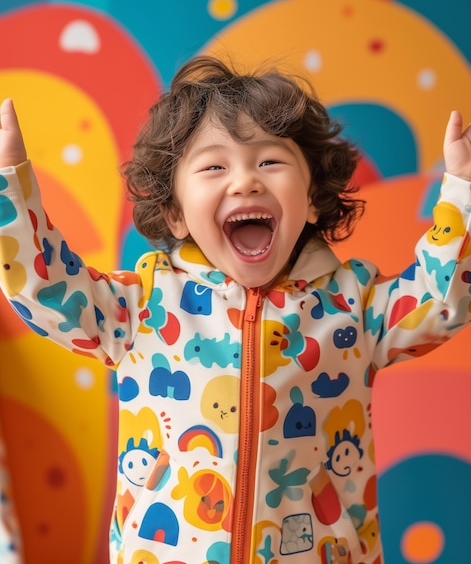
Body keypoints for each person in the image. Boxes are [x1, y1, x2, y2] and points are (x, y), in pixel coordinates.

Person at [0, 55, 470, 564]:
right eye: (214, 166)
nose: (245, 181)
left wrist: (463, 195)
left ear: (311, 199)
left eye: (269, 161)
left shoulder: (354, 305)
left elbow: (443, 299)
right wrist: (9, 186)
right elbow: (45, 289)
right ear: (176, 213)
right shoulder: (141, 307)